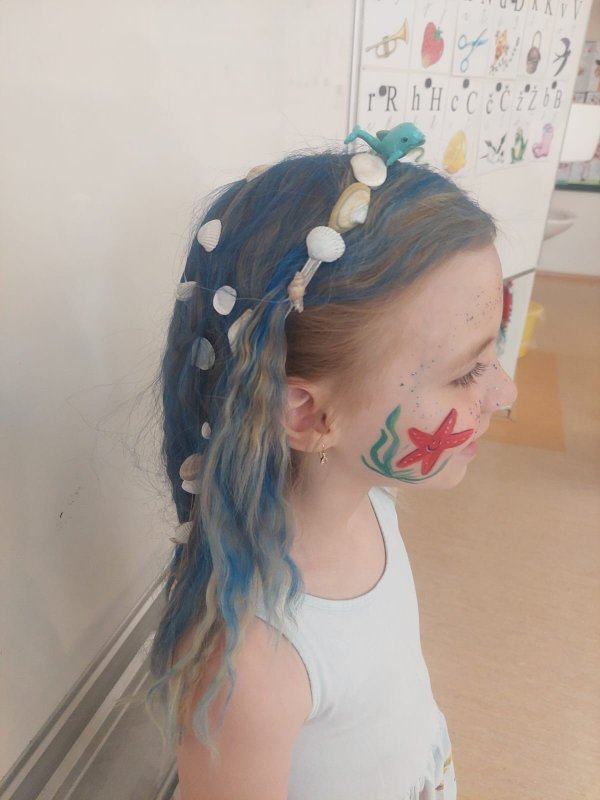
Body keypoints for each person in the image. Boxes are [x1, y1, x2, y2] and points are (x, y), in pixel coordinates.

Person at [146, 127, 518, 800]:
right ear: (309, 416)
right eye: (468, 373)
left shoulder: (373, 502)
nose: (506, 392)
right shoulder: (250, 667)